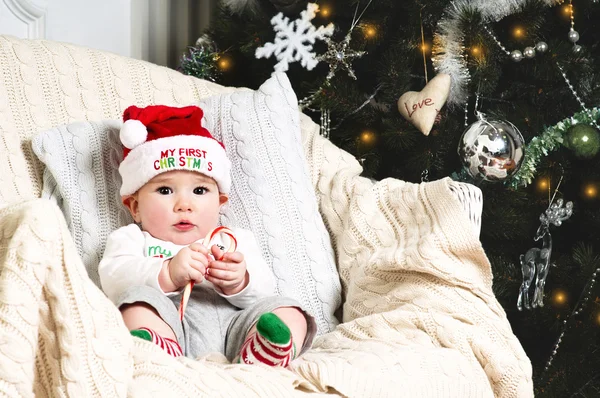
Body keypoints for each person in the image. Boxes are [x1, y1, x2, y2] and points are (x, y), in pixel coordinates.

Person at [99, 105, 315, 366]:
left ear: (220, 203)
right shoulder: (132, 239)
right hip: (172, 327)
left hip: (235, 328)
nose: (184, 204)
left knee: (289, 310)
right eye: (165, 190)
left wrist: (239, 281)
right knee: (136, 305)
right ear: (135, 208)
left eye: (200, 191)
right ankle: (154, 350)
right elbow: (115, 282)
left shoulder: (232, 240)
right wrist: (167, 273)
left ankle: (262, 353)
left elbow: (264, 290)